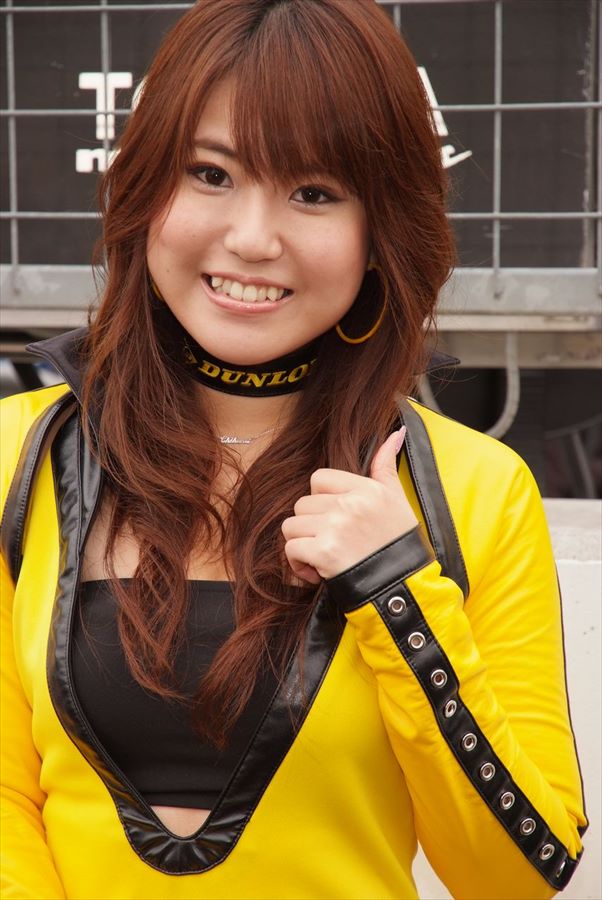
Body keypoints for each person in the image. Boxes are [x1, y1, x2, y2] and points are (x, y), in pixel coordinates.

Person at [0, 1, 588, 898]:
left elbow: (520, 872)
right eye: (210, 173)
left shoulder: (476, 490)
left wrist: (396, 591)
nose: (251, 239)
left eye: (314, 193)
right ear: (144, 187)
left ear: (380, 230)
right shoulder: (21, 455)